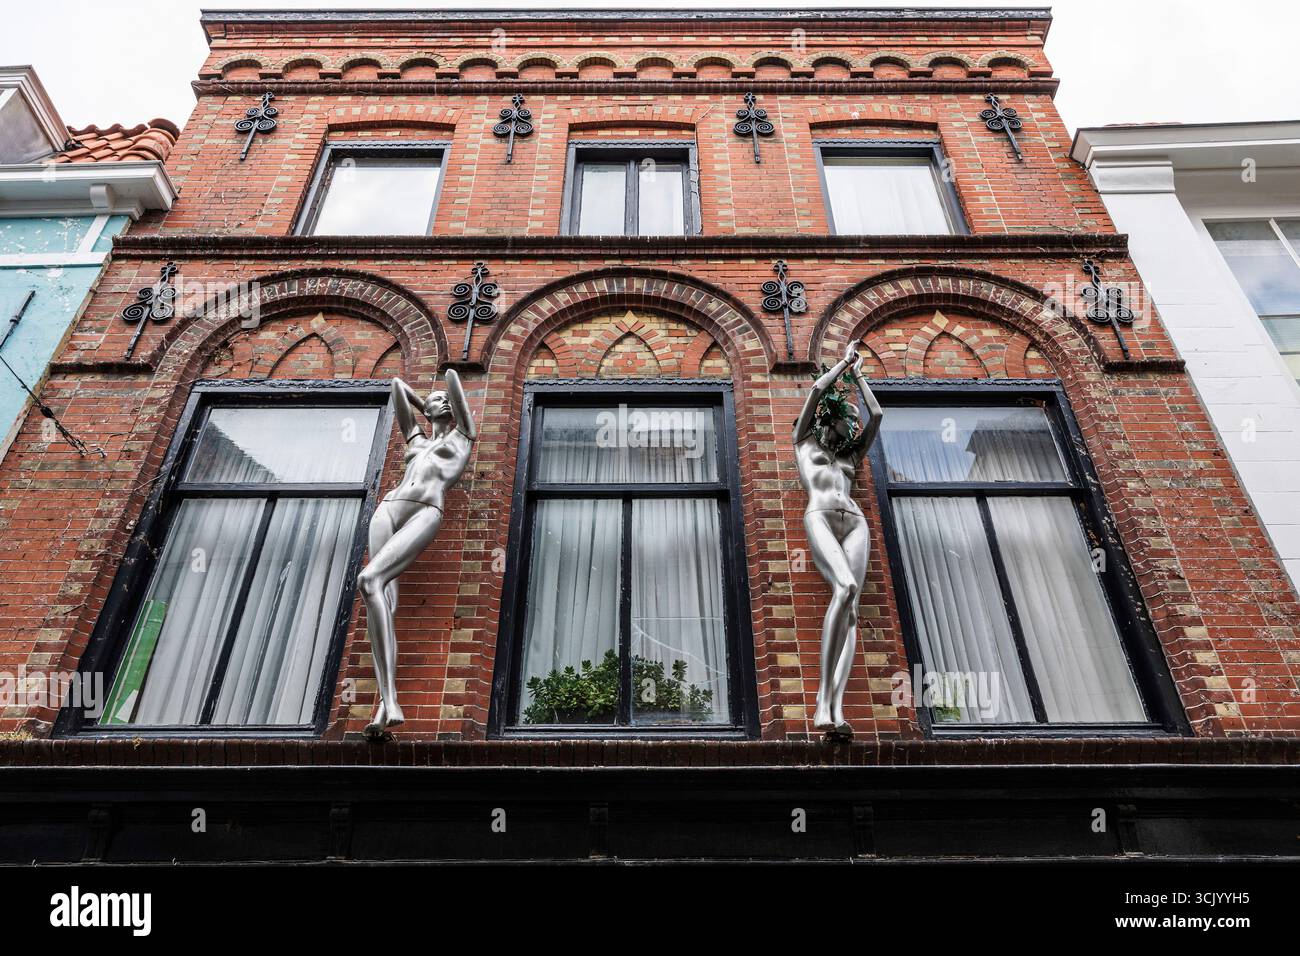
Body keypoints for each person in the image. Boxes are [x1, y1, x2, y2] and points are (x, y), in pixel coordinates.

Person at [358, 370, 475, 738]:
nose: (436, 399)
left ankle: (391, 701)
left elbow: (455, 379)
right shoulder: (417, 439)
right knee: (382, 599)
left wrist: (445, 391)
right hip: (389, 509)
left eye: (442, 399)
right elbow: (396, 386)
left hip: (426, 509)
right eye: (432, 398)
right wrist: (425, 403)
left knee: (369, 579)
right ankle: (384, 704)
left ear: (453, 408)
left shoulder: (463, 436)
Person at [793, 340, 883, 737]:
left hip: (855, 522)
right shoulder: (804, 443)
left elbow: (877, 414)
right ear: (830, 419)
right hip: (821, 517)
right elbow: (815, 391)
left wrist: (861, 376)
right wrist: (844, 364)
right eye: (847, 416)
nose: (852, 421)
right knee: (844, 587)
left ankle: (838, 707)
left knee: (852, 609)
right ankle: (819, 703)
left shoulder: (850, 457)